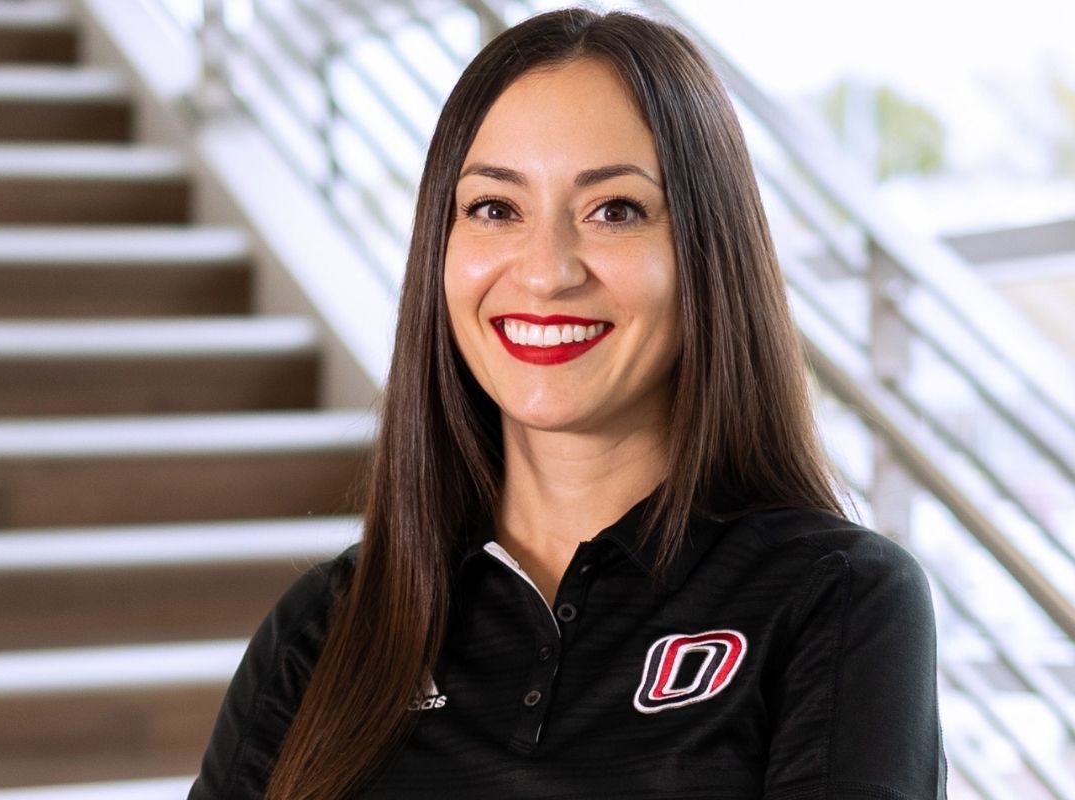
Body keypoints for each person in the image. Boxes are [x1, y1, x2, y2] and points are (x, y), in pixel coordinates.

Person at [189, 8, 946, 799]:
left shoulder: (838, 594)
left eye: (614, 211)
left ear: (706, 254)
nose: (546, 271)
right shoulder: (325, 630)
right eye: (495, 209)